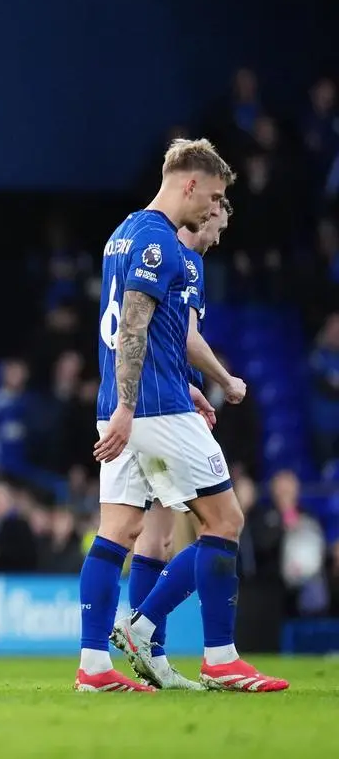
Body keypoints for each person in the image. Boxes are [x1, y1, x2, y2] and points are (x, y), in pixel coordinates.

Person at [78, 139, 287, 693]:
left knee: (118, 531)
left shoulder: (123, 233)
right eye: (214, 196)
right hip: (151, 408)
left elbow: (155, 332)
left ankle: (94, 666)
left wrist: (176, 387)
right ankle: (218, 656)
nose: (214, 211)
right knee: (226, 521)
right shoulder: (160, 244)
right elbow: (132, 329)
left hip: (130, 405)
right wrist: (133, 404)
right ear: (189, 183)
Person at [110, 198, 246, 690]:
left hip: (151, 402)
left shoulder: (148, 243)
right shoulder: (181, 258)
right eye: (219, 224)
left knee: (158, 537)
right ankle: (152, 630)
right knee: (223, 521)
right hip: (158, 411)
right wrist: (224, 381)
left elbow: (167, 342)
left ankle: (154, 659)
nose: (217, 237)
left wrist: (188, 384)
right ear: (206, 211)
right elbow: (184, 338)